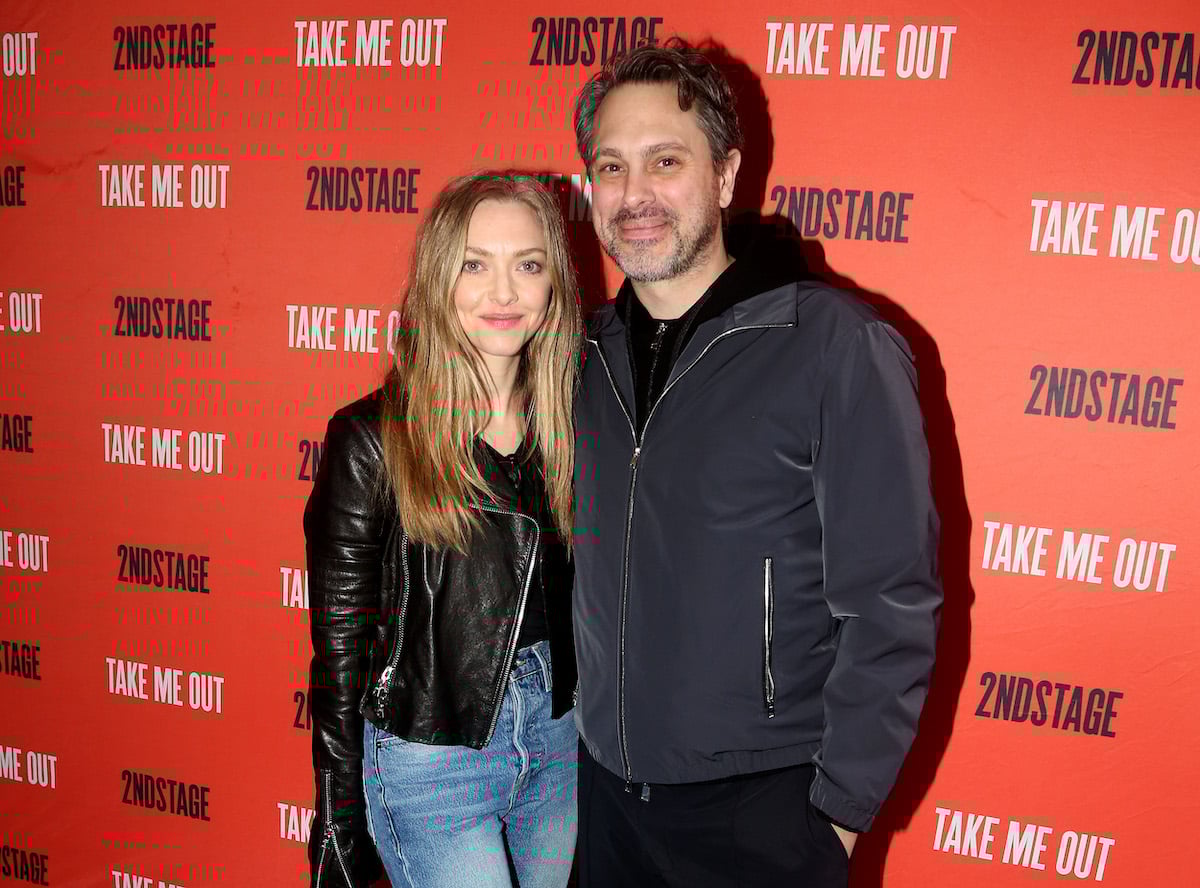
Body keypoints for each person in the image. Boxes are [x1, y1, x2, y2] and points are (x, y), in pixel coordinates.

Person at [569, 39, 943, 887]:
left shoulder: (835, 346)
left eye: (666, 161)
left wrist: (838, 814)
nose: (634, 194)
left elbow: (892, 602)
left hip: (763, 815)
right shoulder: (582, 354)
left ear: (726, 174)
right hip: (606, 805)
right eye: (611, 167)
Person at [304, 172, 583, 888]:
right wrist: (337, 813)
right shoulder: (373, 438)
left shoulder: (574, 425)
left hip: (558, 739)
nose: (504, 292)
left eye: (528, 264)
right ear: (437, 280)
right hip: (432, 754)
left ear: (554, 282)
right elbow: (338, 652)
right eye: (474, 265)